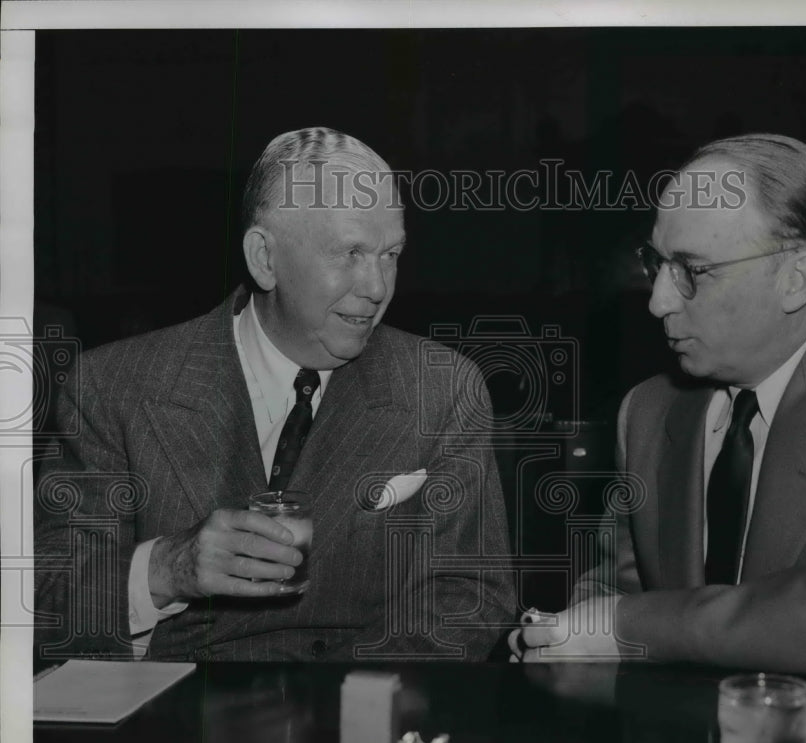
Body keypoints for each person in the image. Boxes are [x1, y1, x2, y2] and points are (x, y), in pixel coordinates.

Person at [34, 127, 515, 662]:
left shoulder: (442, 387)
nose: (378, 288)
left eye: (390, 254)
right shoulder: (111, 386)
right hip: (176, 723)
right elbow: (45, 603)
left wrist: (346, 711)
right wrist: (172, 568)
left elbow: (470, 595)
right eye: (350, 252)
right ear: (264, 258)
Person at [512, 133, 806, 679]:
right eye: (655, 263)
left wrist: (624, 627)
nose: (658, 301)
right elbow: (618, 593)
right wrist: (556, 638)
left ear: (795, 278)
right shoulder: (647, 411)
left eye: (693, 271)